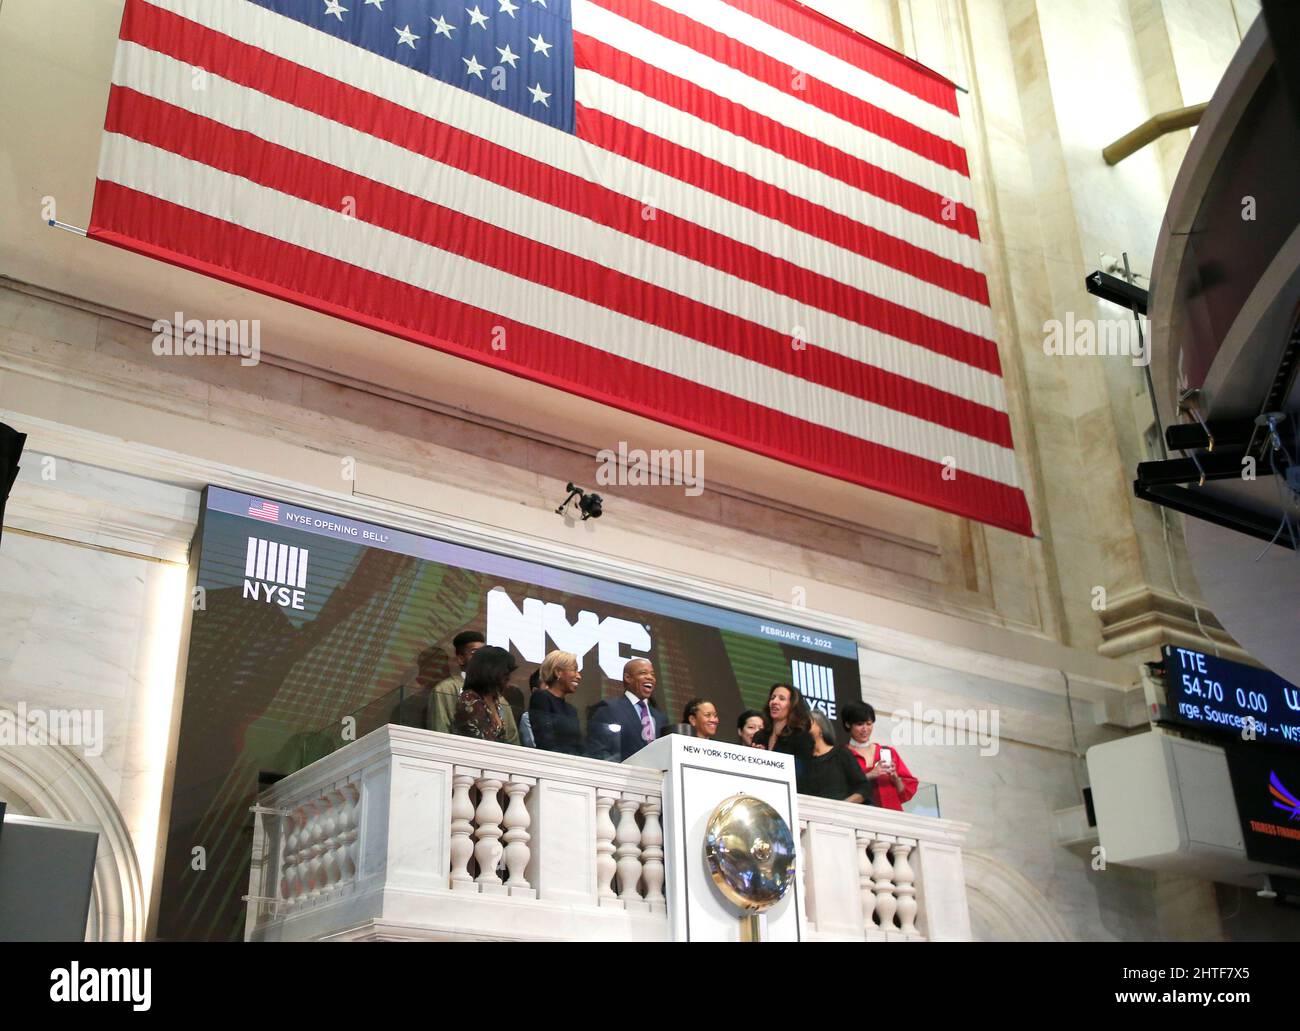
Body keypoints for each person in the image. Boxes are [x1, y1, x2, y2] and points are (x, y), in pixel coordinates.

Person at [585, 658, 668, 761]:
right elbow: (598, 751)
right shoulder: (608, 709)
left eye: (652, 674)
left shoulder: (661, 718)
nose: (650, 677)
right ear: (628, 677)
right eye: (643, 673)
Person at [842, 701, 917, 811]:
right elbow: (839, 790)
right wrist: (868, 775)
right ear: (848, 724)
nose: (865, 729)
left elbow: (905, 794)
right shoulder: (842, 755)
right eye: (859, 724)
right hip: (859, 817)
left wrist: (896, 779)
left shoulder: (888, 752)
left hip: (893, 817)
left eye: (869, 723)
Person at [801, 711, 875, 804]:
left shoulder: (841, 754)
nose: (803, 728)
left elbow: (864, 788)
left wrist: (842, 806)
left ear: (821, 727)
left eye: (808, 723)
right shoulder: (804, 763)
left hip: (844, 815)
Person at [451, 645, 521, 744]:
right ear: (490, 670)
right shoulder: (469, 700)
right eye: (505, 672)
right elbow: (480, 743)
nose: (509, 677)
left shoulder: (496, 701)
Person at [753, 683, 814, 787]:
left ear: (792, 706)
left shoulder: (801, 737)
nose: (774, 702)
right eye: (773, 697)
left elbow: (802, 774)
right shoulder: (760, 736)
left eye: (781, 698)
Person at [427, 630, 485, 734]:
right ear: (461, 659)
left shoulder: (495, 694)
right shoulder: (445, 689)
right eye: (475, 653)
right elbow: (440, 729)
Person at [529, 649, 583, 755]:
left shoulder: (572, 710)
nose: (579, 676)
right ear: (558, 672)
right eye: (574, 670)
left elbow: (578, 746)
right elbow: (545, 740)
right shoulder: (541, 698)